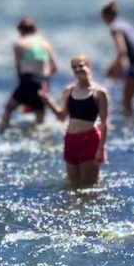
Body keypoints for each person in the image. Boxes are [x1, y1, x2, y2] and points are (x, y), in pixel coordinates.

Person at [55, 55, 111, 188]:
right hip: (70, 140)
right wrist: (46, 100)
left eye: (81, 65)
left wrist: (100, 149)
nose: (78, 69)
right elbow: (62, 116)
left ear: (89, 67)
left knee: (88, 187)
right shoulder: (69, 91)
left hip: (89, 140)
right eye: (74, 67)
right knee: (72, 186)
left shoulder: (99, 93)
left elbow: (104, 123)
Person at [0, 18, 60, 130]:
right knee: (40, 119)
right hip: (43, 81)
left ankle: (2, 131)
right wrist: (43, 81)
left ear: (20, 30)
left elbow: (18, 68)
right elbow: (55, 67)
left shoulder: (20, 43)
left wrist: (23, 86)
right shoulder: (45, 43)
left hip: (28, 79)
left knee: (8, 108)